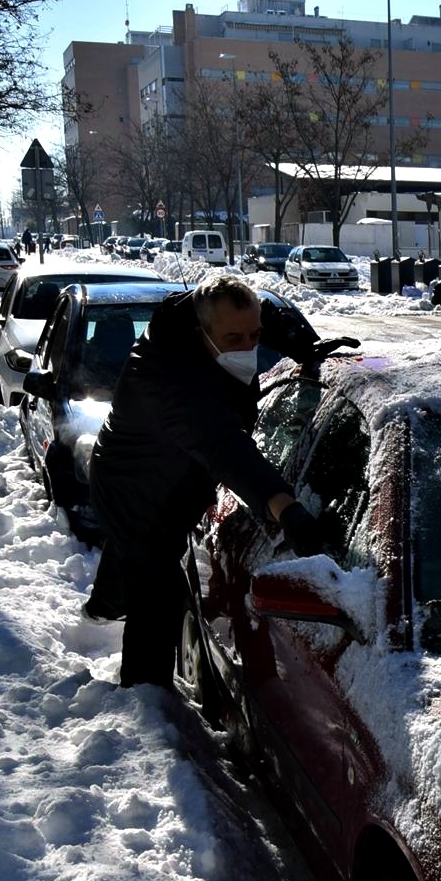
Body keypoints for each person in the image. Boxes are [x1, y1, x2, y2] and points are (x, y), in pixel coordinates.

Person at [88, 274, 344, 688]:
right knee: (158, 590)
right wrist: (286, 508)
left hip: (169, 471)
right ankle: (145, 694)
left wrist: (302, 343)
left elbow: (259, 314)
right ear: (199, 332)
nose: (248, 347)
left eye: (254, 336)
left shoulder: (214, 312)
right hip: (135, 489)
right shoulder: (170, 380)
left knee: (135, 560)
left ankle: (106, 601)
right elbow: (226, 448)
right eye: (233, 339)